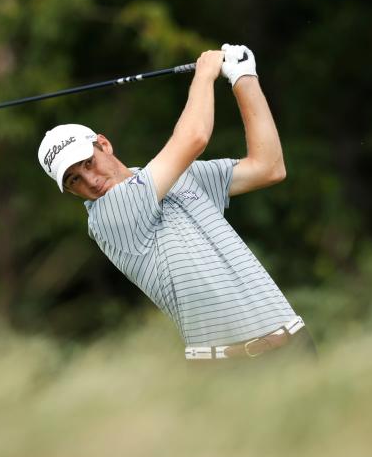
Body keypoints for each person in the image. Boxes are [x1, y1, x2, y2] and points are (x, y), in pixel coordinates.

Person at [36, 44, 314, 361]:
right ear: (70, 192)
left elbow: (268, 168)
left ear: (104, 144)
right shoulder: (108, 216)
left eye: (87, 163)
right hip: (228, 364)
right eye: (74, 180)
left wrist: (244, 78)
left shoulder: (178, 176)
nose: (91, 181)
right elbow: (193, 137)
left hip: (293, 342)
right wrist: (205, 73)